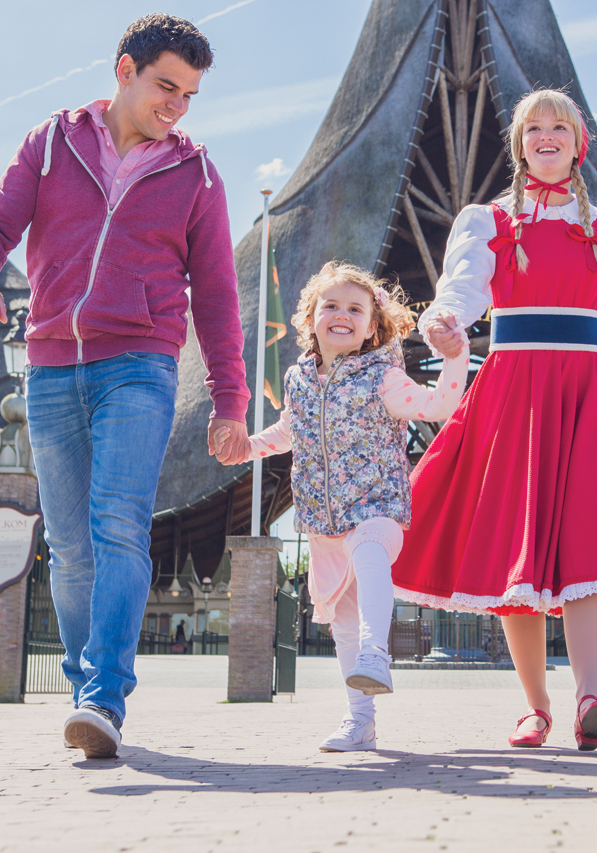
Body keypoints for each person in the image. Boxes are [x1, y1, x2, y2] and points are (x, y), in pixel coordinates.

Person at [0, 15, 249, 760]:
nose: (178, 105)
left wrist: (230, 399)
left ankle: (104, 695)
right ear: (124, 71)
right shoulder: (51, 142)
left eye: (191, 94)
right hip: (51, 367)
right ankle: (87, 683)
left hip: (141, 366)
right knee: (73, 545)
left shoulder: (198, 173)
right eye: (166, 86)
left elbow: (215, 296)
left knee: (119, 524)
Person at [391, 89, 597, 751]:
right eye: (534, 128)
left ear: (578, 141)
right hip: (512, 390)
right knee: (518, 551)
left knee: (587, 542)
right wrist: (443, 323)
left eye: (558, 126)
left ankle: (590, 694)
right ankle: (535, 707)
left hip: (585, 390)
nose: (546, 136)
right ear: (520, 144)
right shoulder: (489, 221)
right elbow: (463, 293)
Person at [217, 263, 468, 752]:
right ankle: (360, 722)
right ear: (310, 318)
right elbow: (291, 429)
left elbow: (438, 406)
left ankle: (378, 653)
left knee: (372, 556)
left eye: (356, 308)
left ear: (373, 326)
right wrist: (247, 447)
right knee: (343, 621)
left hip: (378, 506)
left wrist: (456, 360)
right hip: (322, 521)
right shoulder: (299, 381)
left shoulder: (385, 378)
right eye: (330, 305)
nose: (342, 314)